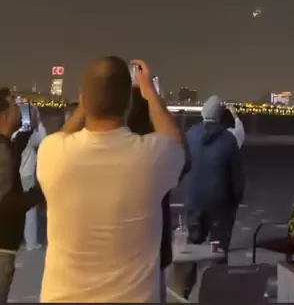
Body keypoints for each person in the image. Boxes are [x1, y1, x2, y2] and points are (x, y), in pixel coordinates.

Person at [37, 57, 185, 303]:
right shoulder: (151, 157)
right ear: (128, 103)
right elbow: (176, 142)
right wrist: (149, 93)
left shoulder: (51, 152)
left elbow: (61, 138)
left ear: (84, 100)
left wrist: (84, 107)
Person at [127, 86, 176, 303]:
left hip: (120, 250)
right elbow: (179, 148)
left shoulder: (116, 148)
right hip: (154, 248)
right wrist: (155, 99)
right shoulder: (158, 150)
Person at [184, 95, 244, 255]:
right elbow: (237, 177)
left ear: (203, 113)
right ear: (219, 116)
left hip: (193, 201)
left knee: (192, 249)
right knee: (218, 251)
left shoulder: (189, 135)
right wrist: (235, 201)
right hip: (220, 204)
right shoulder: (229, 139)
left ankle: (189, 269)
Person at [0, 89, 42, 303]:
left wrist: (28, 120)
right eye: (15, 107)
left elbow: (20, 142)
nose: (19, 110)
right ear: (4, 117)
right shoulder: (2, 150)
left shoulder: (6, 144)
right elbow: (6, 202)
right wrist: (40, 192)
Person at [20, 106, 47, 250]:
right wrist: (39, 121)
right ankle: (31, 242)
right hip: (27, 174)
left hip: (16, 174)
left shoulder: (15, 132)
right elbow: (44, 140)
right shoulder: (29, 134)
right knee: (30, 210)